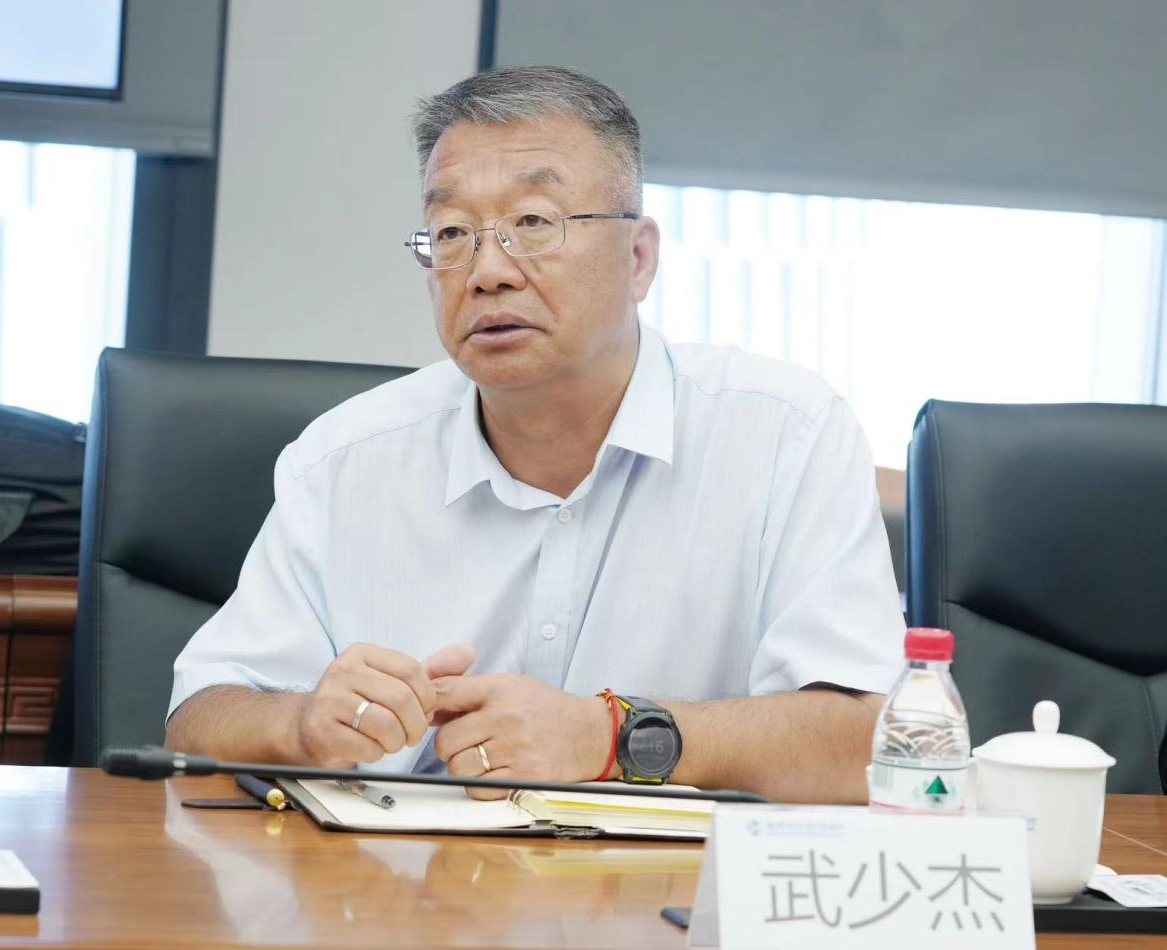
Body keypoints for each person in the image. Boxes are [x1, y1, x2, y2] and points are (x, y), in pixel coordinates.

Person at [165, 66, 904, 803]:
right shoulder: (342, 460)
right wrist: (299, 725)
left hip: (669, 877)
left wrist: (609, 737)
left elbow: (866, 746)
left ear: (638, 258)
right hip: (398, 873)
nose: (487, 271)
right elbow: (196, 722)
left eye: (533, 224)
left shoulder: (785, 435)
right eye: (452, 233)